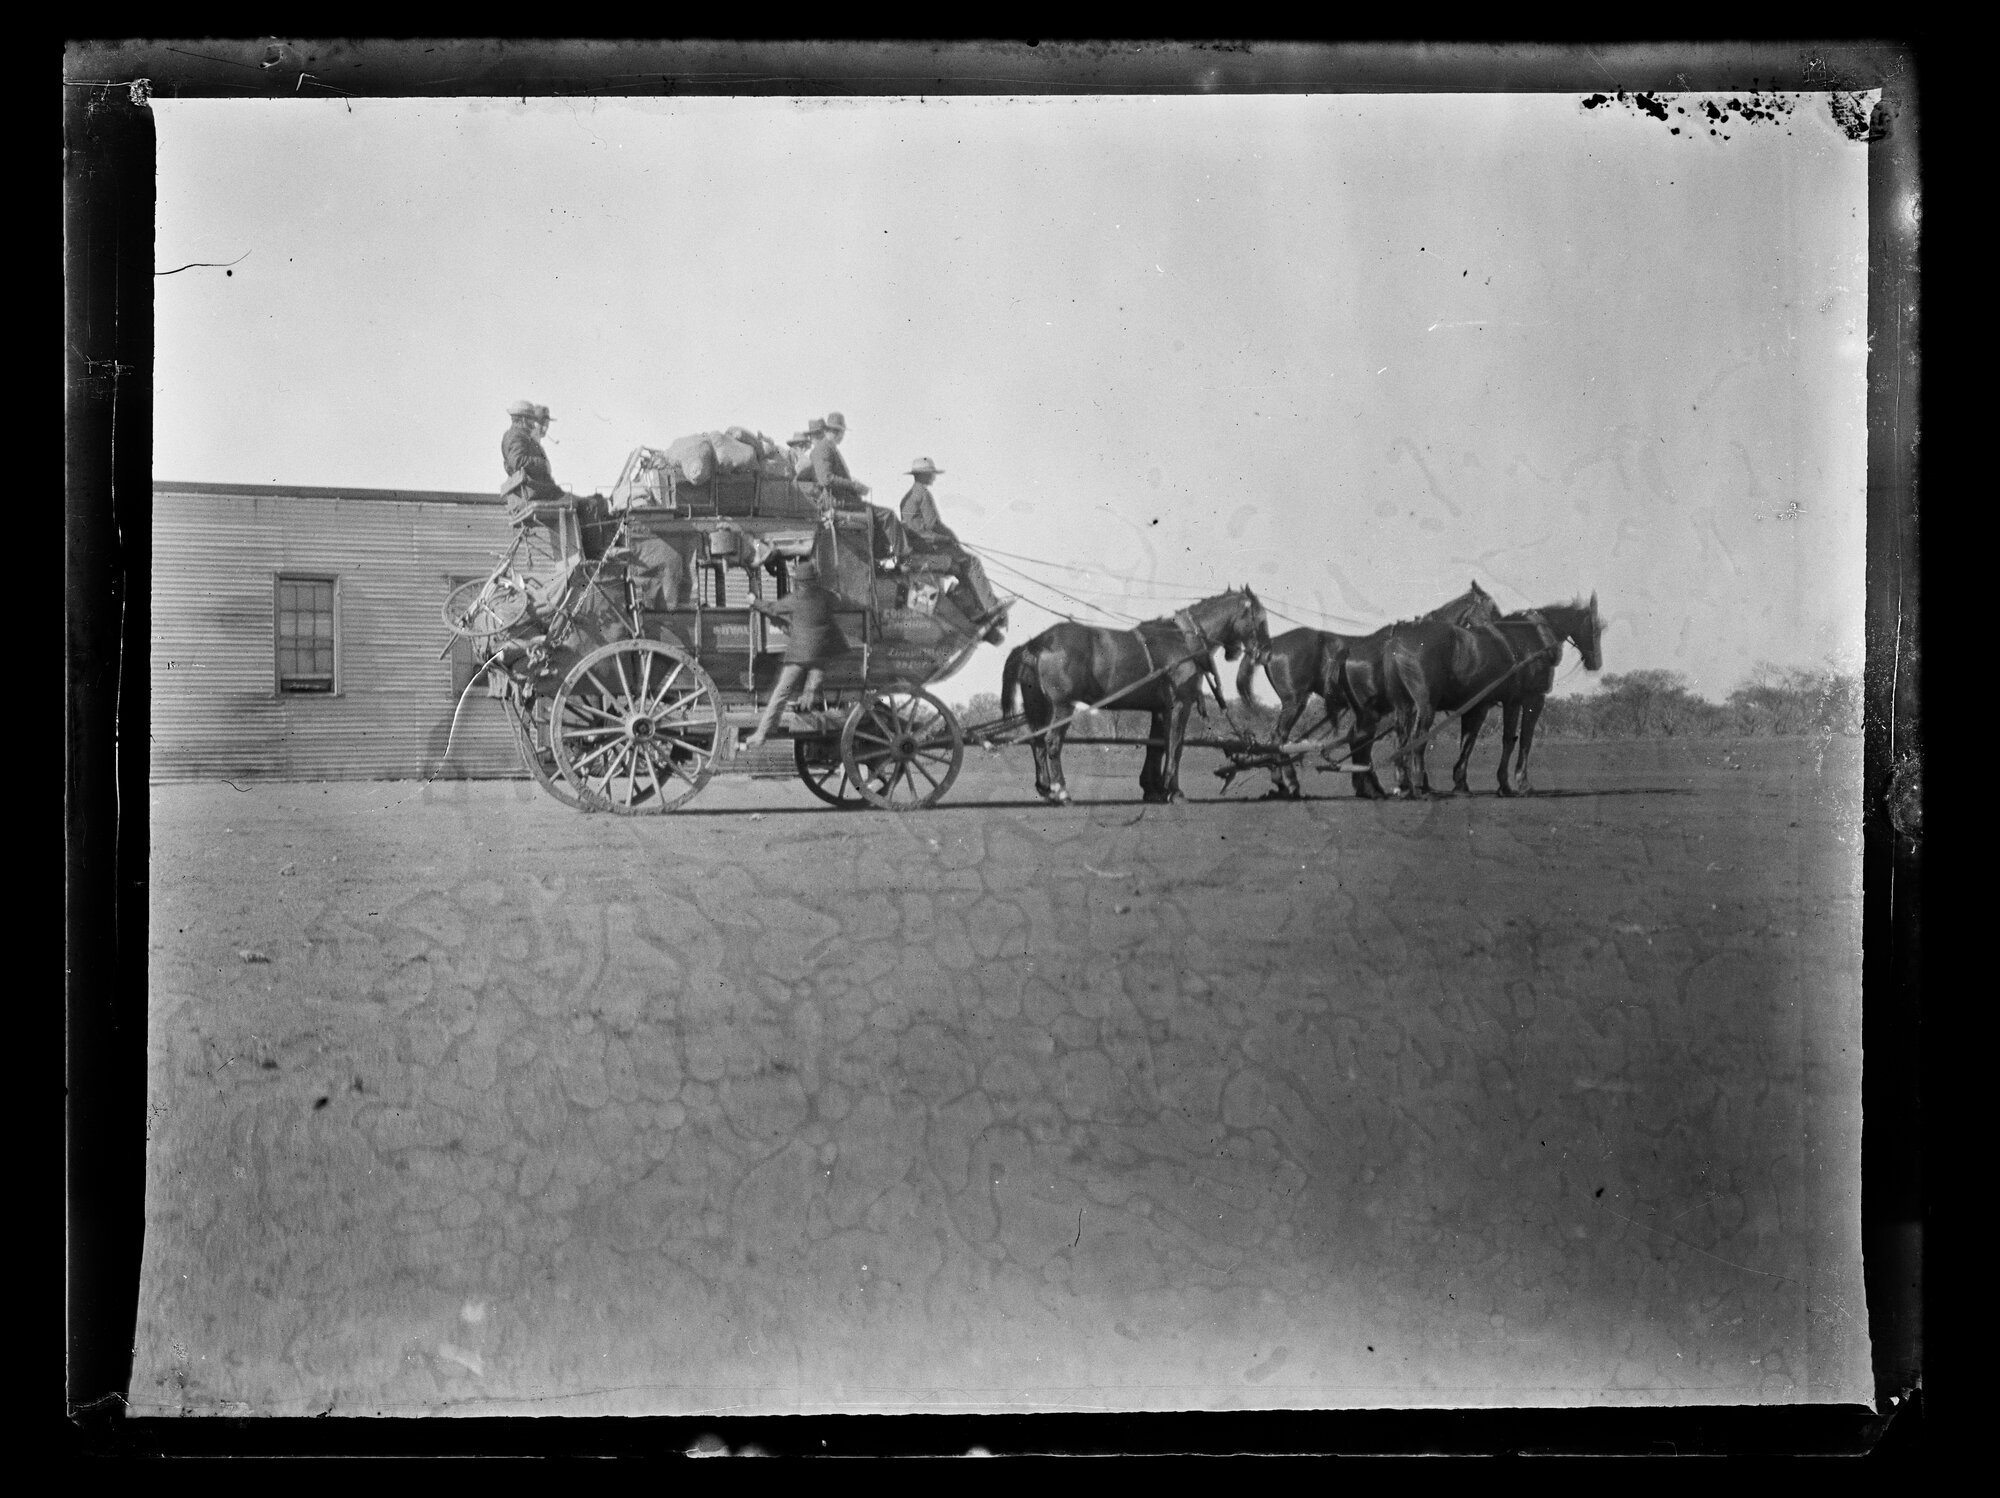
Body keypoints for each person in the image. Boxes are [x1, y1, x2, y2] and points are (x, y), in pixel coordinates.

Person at [898, 458, 1007, 643]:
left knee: (960, 565)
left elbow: (915, 528)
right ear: (924, 475)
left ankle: (974, 609)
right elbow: (933, 525)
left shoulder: (907, 498)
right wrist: (949, 538)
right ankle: (988, 606)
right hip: (927, 547)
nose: (933, 477)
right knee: (970, 562)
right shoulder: (922, 494)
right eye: (931, 474)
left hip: (915, 548)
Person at [744, 556, 848, 747]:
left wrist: (753, 600)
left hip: (799, 655)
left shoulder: (795, 599)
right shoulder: (826, 596)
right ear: (815, 579)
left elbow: (772, 609)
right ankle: (807, 706)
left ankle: (762, 733)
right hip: (821, 656)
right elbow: (840, 600)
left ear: (798, 583)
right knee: (811, 686)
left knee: (780, 693)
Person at [804, 411, 870, 511]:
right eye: (842, 432)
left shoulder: (829, 448)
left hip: (839, 500)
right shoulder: (824, 448)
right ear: (837, 432)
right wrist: (854, 486)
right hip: (836, 502)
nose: (843, 436)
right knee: (887, 515)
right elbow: (826, 479)